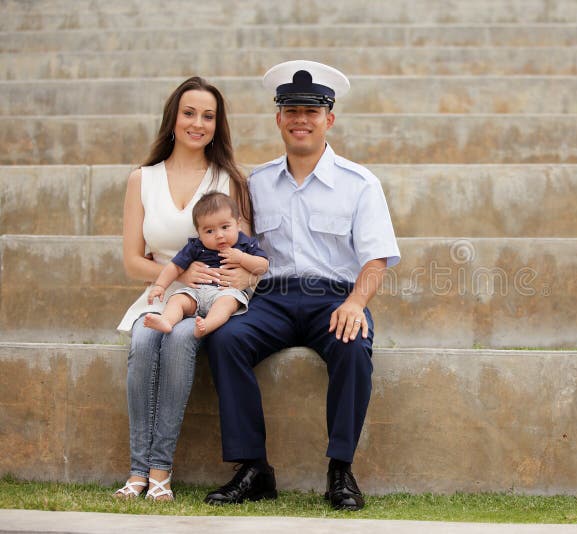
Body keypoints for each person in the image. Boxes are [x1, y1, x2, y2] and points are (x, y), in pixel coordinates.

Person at [203, 60, 400, 511]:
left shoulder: (359, 184)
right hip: (270, 298)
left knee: (353, 344)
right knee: (226, 337)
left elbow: (375, 258)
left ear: (329, 119)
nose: (301, 119)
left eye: (312, 111)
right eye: (291, 110)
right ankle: (254, 468)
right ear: (278, 119)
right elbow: (242, 244)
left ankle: (340, 470)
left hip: (330, 297)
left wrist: (355, 303)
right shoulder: (256, 182)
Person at [115, 77, 255, 501]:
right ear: (173, 120)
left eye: (208, 116)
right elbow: (132, 260)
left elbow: (245, 258)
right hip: (159, 294)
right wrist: (179, 275)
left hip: (210, 299)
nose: (198, 123)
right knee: (144, 338)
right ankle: (137, 471)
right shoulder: (142, 179)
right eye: (189, 113)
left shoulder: (228, 179)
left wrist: (228, 285)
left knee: (177, 340)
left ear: (218, 124)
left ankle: (160, 471)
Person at [143, 192, 268, 339]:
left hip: (226, 291)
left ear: (238, 224)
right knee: (177, 299)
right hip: (196, 292)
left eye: (225, 227)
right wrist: (160, 286)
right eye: (209, 231)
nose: (219, 235)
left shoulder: (245, 244)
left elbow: (263, 265)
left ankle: (207, 325)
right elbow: (175, 267)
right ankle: (167, 321)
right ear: (199, 233)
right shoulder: (196, 246)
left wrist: (242, 258)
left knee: (226, 304)